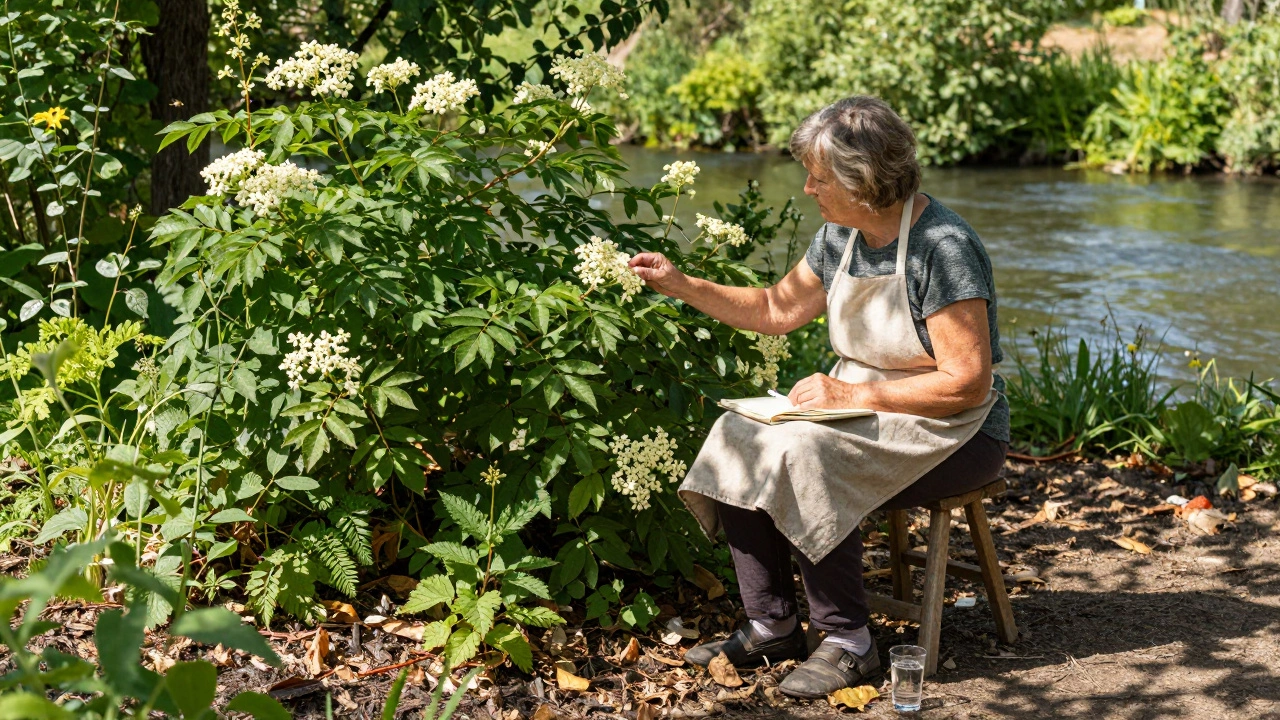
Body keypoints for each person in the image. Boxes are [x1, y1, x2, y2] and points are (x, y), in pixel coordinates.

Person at [627, 96, 1010, 698]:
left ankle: (849, 641)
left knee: (805, 452)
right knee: (738, 434)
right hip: (862, 410)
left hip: (957, 431)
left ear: (866, 183)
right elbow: (777, 309)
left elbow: (967, 383)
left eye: (821, 176)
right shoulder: (841, 236)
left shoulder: (944, 247)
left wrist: (849, 392)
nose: (807, 188)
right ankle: (771, 624)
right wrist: (682, 284)